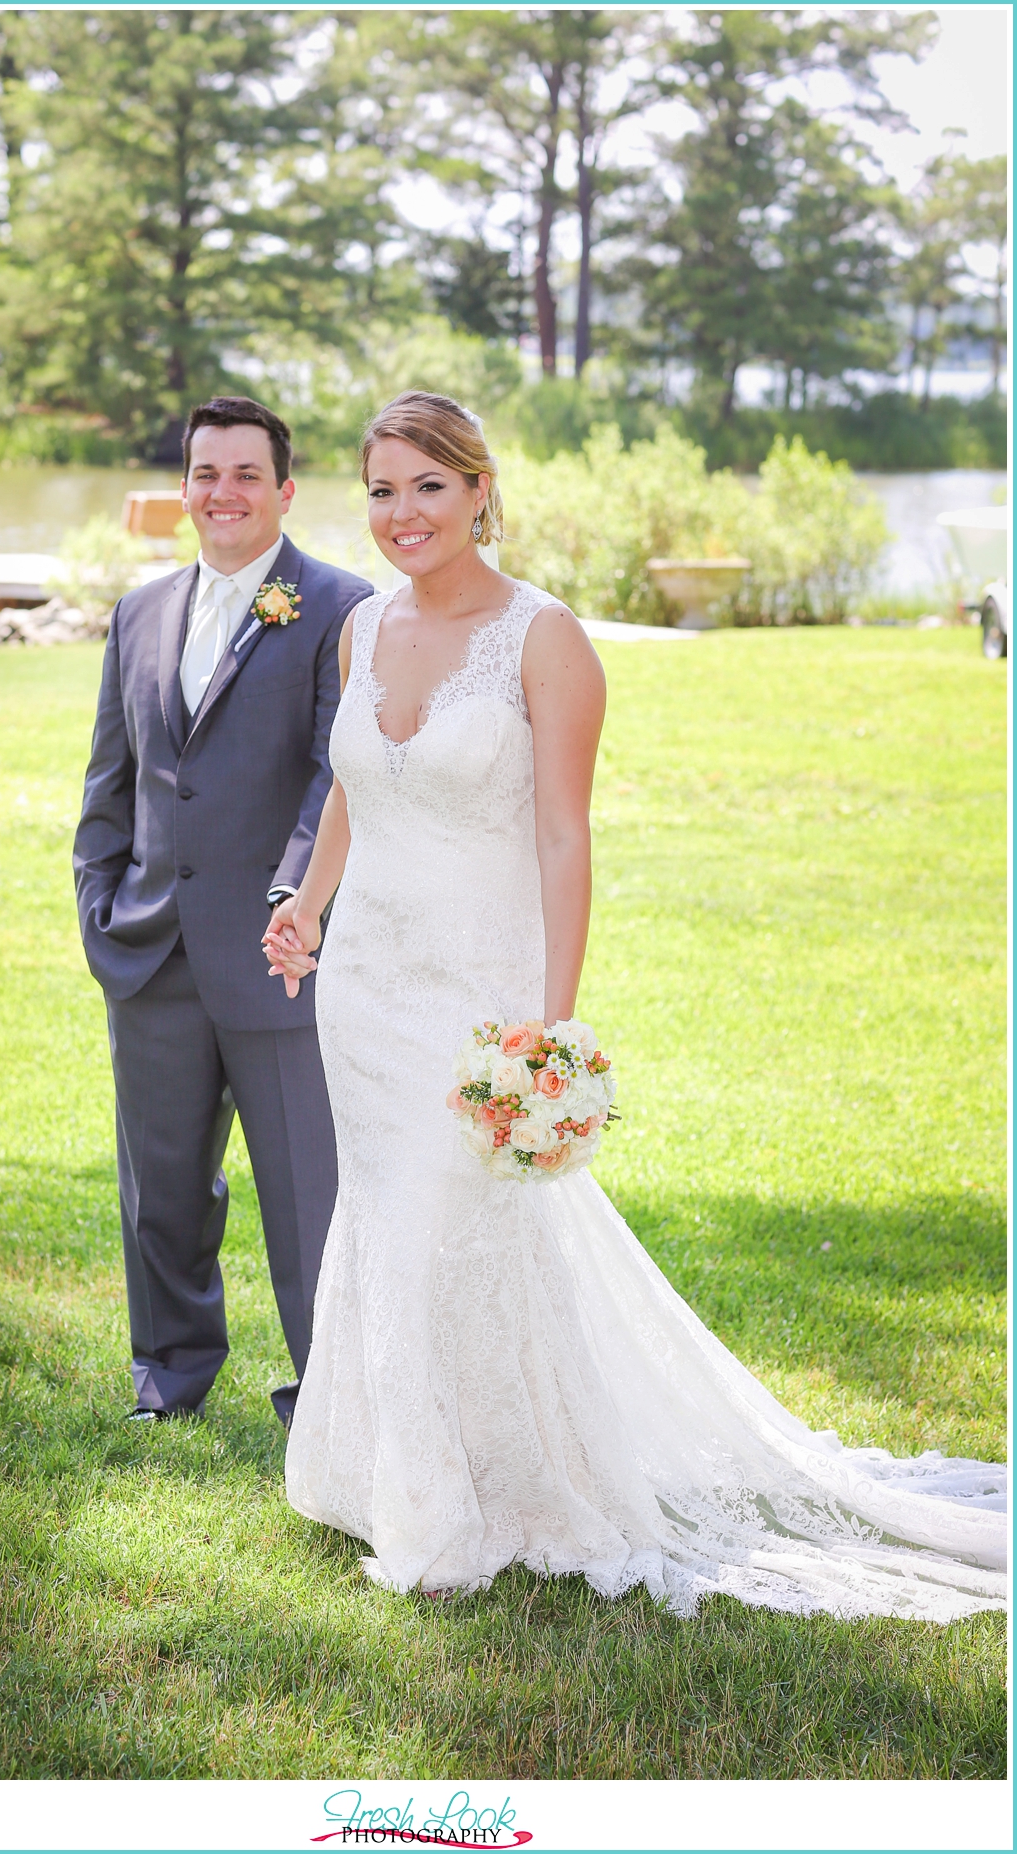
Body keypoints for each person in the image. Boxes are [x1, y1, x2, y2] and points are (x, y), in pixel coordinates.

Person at [261, 390, 1007, 1618]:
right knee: (389, 1225)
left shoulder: (544, 638)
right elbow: (355, 783)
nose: (403, 514)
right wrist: (308, 901)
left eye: (429, 487)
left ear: (481, 490)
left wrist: (552, 1027)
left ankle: (493, 1494)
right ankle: (391, 1475)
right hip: (365, 991)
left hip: (477, 996)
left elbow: (563, 832)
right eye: (383, 490)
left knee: (460, 1226)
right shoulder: (360, 628)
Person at [73, 396, 373, 1427]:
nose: (224, 493)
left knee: (307, 1198)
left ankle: (327, 1399)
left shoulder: (342, 608)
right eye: (206, 473)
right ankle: (169, 1375)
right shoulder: (141, 612)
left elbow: (336, 779)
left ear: (285, 491)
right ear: (184, 488)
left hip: (280, 953)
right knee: (160, 1191)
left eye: (247, 474)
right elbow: (111, 784)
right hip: (150, 952)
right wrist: (100, 907)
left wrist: (299, 904)